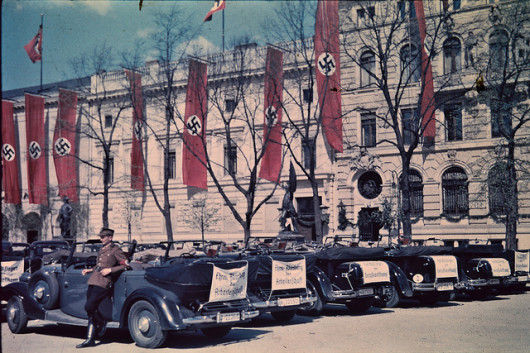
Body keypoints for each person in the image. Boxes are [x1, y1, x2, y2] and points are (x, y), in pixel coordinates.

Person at [76, 228, 127, 348]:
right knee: (90, 308)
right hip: (94, 279)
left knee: (89, 306)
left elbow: (125, 264)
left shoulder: (115, 250)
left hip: (104, 281)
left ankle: (101, 321)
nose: (101, 239)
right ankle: (90, 339)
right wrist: (90, 270)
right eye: (101, 236)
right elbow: (99, 265)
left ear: (110, 237)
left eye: (103, 237)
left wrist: (110, 270)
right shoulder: (101, 249)